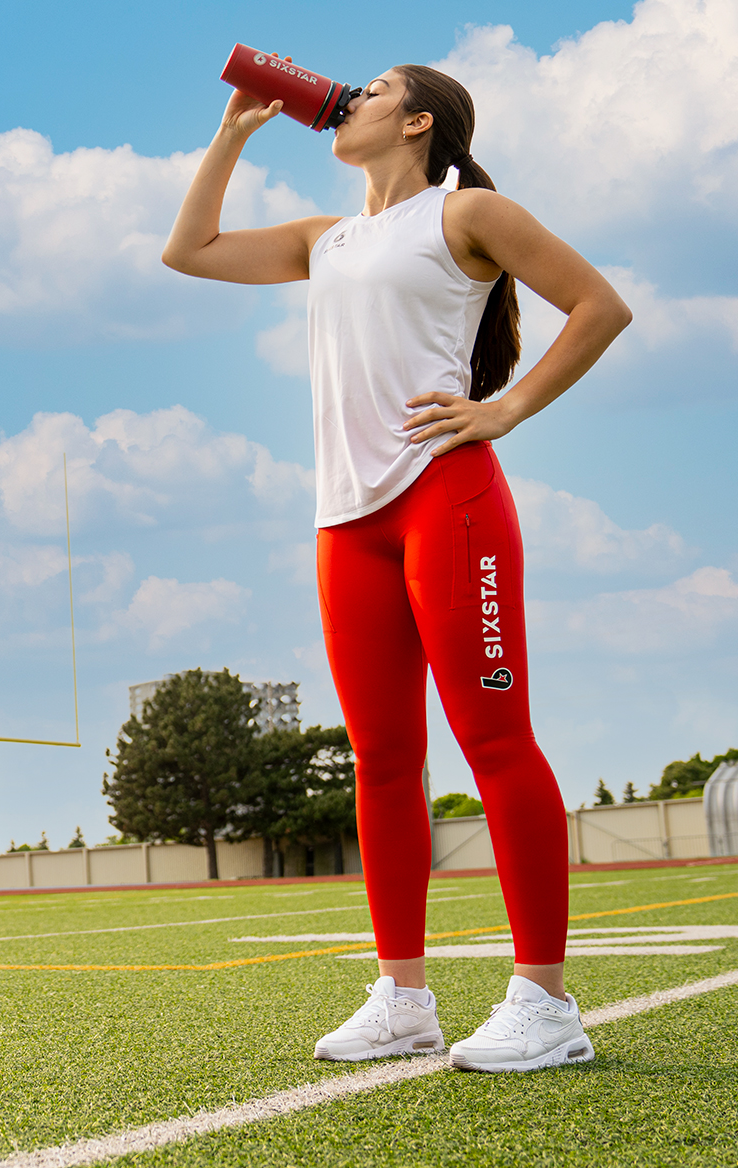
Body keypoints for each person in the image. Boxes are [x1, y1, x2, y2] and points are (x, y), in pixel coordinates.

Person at [162, 62, 631, 1072]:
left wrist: (501, 409)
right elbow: (186, 249)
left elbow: (598, 306)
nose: (348, 98)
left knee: (496, 742)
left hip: (445, 500)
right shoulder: (322, 240)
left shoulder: (469, 213)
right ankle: (402, 996)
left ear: (418, 120)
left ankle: (546, 1001)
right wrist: (235, 133)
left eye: (372, 88)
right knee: (382, 759)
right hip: (347, 522)